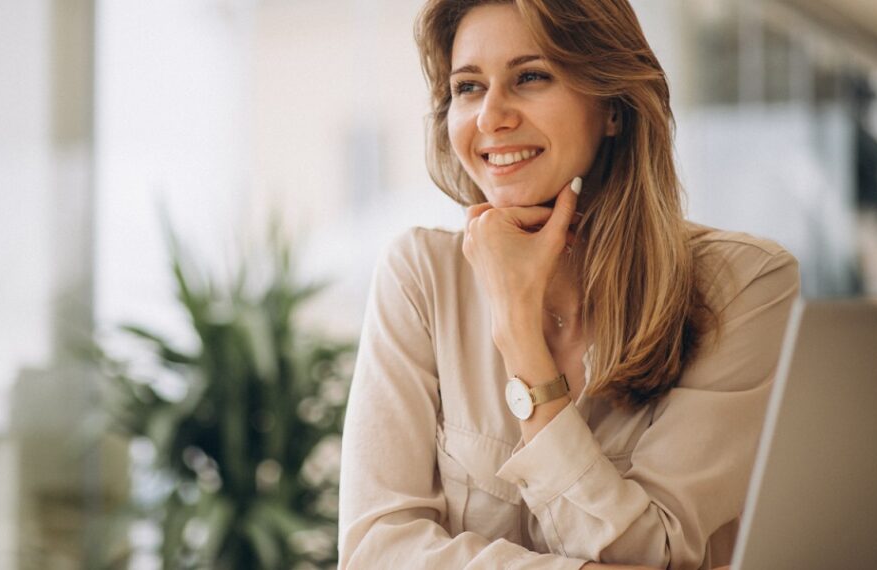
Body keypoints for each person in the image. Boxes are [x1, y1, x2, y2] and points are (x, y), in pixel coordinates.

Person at [337, 1, 800, 569]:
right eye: (468, 87)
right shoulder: (420, 276)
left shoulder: (743, 284)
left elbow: (661, 554)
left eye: (530, 77)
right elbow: (375, 551)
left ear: (613, 104)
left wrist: (519, 337)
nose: (490, 117)